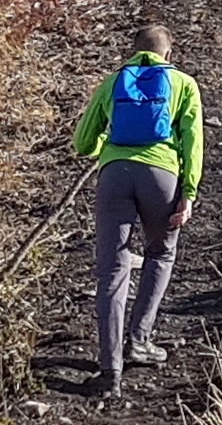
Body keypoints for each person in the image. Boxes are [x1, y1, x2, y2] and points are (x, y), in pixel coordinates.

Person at [68, 23, 205, 390]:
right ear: (168, 54)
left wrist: (109, 151)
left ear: (133, 52)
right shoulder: (183, 84)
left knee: (112, 268)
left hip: (114, 176)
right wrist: (189, 192)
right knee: (160, 252)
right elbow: (192, 143)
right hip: (162, 177)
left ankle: (109, 369)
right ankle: (139, 340)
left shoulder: (114, 82)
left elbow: (82, 143)